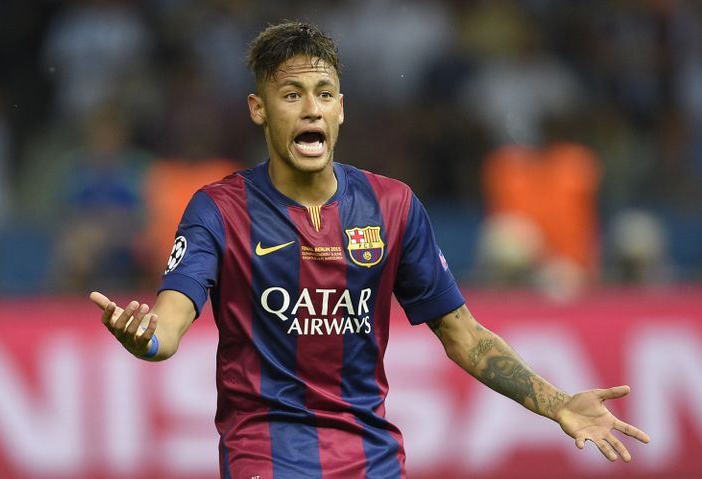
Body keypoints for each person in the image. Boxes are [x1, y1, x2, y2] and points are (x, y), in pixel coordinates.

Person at [90, 21, 650, 478]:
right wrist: (147, 338)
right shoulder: (219, 209)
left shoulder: (393, 206)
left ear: (341, 110)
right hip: (267, 458)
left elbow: (465, 336)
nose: (311, 110)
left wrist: (556, 405)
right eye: (292, 95)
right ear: (259, 109)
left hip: (372, 461)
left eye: (323, 95)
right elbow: (169, 322)